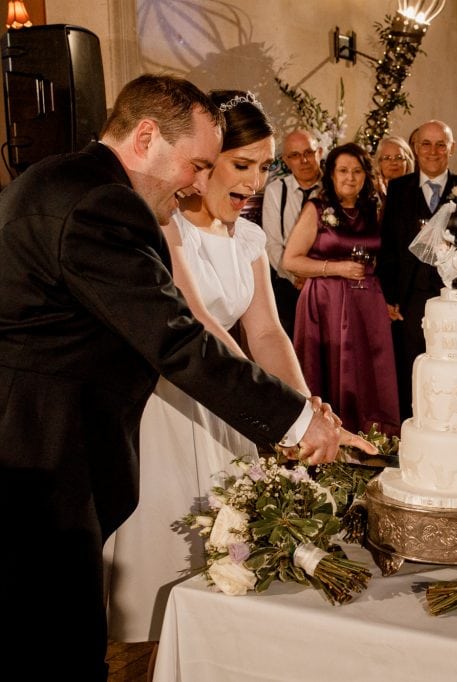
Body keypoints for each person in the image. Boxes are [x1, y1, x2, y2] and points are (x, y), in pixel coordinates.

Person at [0, 74, 368, 679]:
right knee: (58, 641)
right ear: (146, 138)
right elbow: (177, 338)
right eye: (196, 164)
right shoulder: (103, 203)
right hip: (39, 459)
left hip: (39, 445)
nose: (199, 181)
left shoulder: (59, 180)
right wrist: (297, 418)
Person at [104, 90, 322, 642]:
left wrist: (305, 408)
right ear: (204, 167)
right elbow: (198, 323)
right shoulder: (167, 224)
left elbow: (268, 331)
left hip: (232, 406)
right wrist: (283, 413)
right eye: (240, 165)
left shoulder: (247, 235)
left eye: (265, 167)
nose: (253, 183)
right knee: (173, 560)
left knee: (235, 564)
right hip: (175, 409)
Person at [285, 143, 401, 436]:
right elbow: (290, 260)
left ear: (366, 175)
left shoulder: (374, 209)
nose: (350, 177)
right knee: (329, 371)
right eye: (343, 171)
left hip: (366, 303)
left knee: (368, 371)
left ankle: (372, 439)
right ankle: (327, 437)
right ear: (332, 175)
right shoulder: (316, 209)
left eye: (357, 171)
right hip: (325, 302)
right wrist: (337, 268)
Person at [377, 119, 457, 418]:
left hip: (455, 298)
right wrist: (388, 295)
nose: (433, 151)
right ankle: (412, 427)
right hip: (410, 297)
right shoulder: (399, 189)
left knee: (453, 365)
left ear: (452, 148)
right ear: (416, 147)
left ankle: (452, 423)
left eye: (441, 144)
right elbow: (388, 247)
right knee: (413, 365)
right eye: (426, 143)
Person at [261, 128, 323, 336]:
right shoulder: (276, 191)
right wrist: (296, 275)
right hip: (289, 282)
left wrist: (317, 276)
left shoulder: (334, 189)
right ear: (286, 161)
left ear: (320, 153)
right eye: (295, 156)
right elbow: (272, 243)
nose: (303, 160)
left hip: (328, 281)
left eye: (309, 152)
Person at [374, 135, 415, 200]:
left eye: (399, 157)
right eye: (387, 158)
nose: (393, 162)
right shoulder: (372, 195)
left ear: (407, 162)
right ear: (379, 163)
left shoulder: (418, 193)